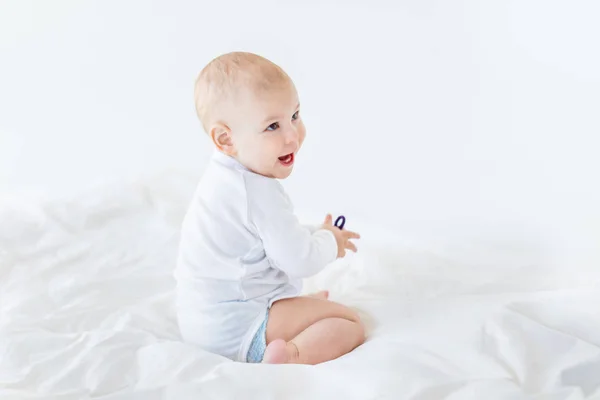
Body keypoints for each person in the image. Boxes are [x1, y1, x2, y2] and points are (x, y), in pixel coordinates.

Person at [174, 51, 365, 364]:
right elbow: (298, 260)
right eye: (272, 126)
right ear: (226, 139)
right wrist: (330, 241)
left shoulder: (223, 179)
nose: (292, 135)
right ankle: (289, 355)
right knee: (349, 324)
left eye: (294, 115)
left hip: (202, 325)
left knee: (312, 307)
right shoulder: (257, 191)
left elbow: (263, 242)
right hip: (240, 328)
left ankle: (290, 315)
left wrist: (316, 231)